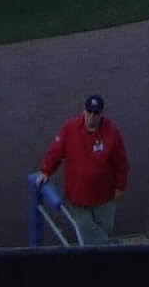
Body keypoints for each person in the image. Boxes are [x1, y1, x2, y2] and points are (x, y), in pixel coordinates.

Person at [37, 93, 130, 247]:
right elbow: (55, 152)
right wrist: (46, 171)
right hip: (77, 197)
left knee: (104, 229)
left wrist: (120, 186)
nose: (92, 116)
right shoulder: (70, 128)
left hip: (104, 197)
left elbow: (122, 162)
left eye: (96, 113)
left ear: (101, 114)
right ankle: (109, 248)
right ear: (83, 111)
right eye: (89, 112)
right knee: (86, 230)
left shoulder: (112, 132)